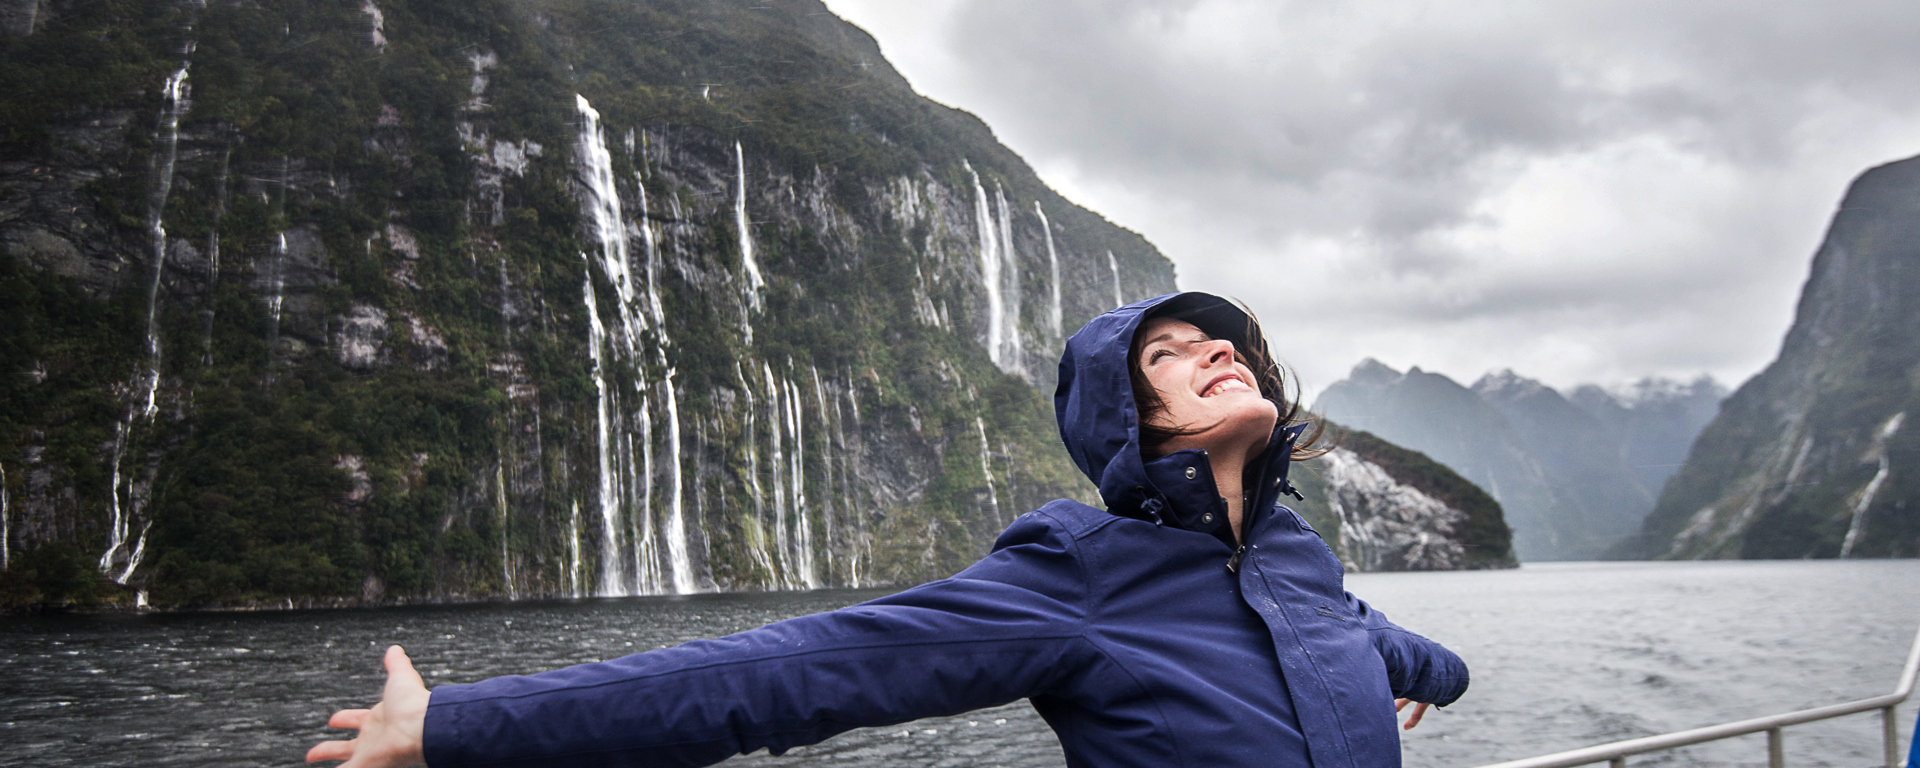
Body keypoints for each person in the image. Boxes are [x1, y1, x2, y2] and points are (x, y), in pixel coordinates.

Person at [308, 291, 1468, 768]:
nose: (1218, 351)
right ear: (1131, 415)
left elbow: (1375, 639)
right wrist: (454, 724)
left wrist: (1432, 675)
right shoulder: (1080, 576)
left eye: (1227, 343)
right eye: (1167, 352)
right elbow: (795, 670)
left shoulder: (1293, 560)